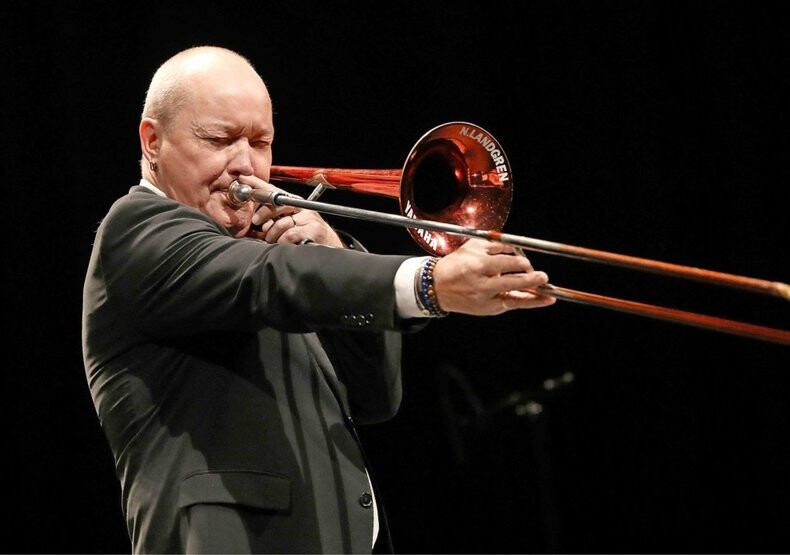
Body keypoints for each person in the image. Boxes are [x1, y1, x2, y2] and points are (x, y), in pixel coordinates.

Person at [81, 45, 555, 554]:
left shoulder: (267, 257)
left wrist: (334, 250)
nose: (245, 165)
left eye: (260, 142)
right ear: (152, 141)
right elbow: (269, 277)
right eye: (218, 140)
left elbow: (375, 397)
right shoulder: (136, 230)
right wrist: (427, 282)